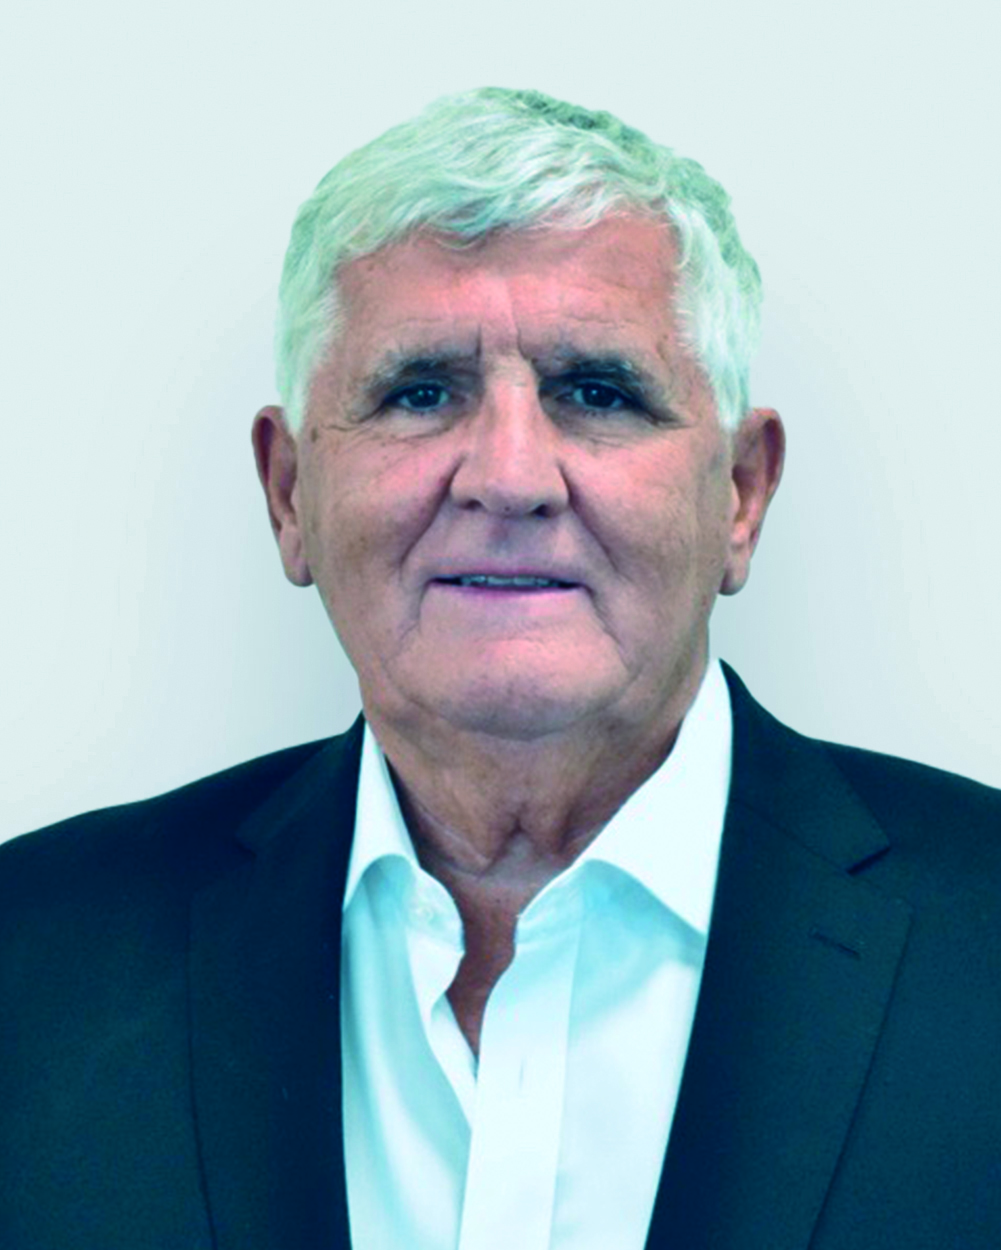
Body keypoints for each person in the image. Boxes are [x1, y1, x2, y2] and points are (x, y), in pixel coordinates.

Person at [1, 87, 998, 1250]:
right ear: (288, 493)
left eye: (597, 391)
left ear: (739, 493)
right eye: (419, 392)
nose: (509, 477)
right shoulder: (34, 959)